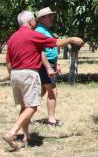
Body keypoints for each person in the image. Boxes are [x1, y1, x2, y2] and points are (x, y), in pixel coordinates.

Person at [3, 10, 84, 151]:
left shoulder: (12, 37)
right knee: (32, 106)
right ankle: (12, 132)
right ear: (30, 22)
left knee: (24, 107)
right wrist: (71, 39)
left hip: (15, 74)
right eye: (34, 20)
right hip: (29, 73)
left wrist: (12, 76)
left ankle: (26, 135)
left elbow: (8, 61)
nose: (35, 22)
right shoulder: (34, 35)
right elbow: (56, 42)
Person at [34, 7, 61, 126]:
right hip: (45, 64)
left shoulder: (46, 30)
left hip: (49, 64)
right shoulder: (39, 31)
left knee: (43, 90)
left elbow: (52, 48)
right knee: (52, 90)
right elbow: (41, 51)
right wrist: (49, 67)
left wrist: (56, 63)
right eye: (49, 16)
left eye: (52, 15)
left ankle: (26, 110)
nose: (52, 18)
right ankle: (51, 120)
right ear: (41, 19)